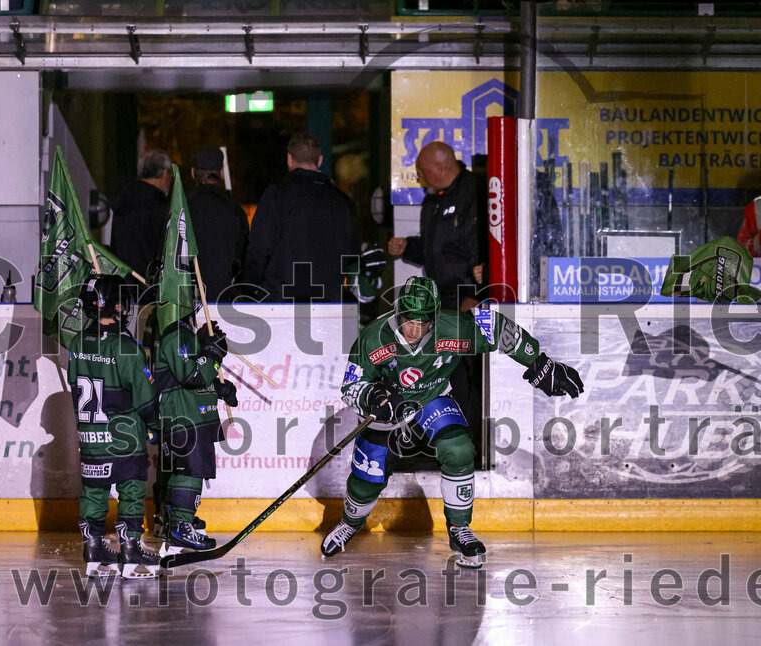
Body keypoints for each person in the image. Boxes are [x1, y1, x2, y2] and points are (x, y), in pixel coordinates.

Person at [320, 276, 584, 568]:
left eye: (424, 324)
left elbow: (496, 327)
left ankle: (459, 529)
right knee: (367, 480)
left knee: (458, 448)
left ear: (435, 317)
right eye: (409, 321)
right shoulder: (373, 337)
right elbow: (350, 387)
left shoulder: (454, 327)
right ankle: (350, 521)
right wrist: (373, 397)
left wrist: (538, 362)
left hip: (432, 396)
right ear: (398, 313)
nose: (415, 330)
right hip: (389, 409)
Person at [68, 275, 162, 579]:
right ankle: (131, 551)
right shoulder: (127, 347)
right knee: (131, 491)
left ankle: (93, 551)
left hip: (90, 437)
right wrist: (156, 426)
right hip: (124, 438)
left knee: (93, 492)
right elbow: (145, 398)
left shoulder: (76, 342)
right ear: (117, 306)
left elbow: (75, 382)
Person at [153, 301, 238, 554]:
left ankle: (173, 520)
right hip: (185, 417)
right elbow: (193, 376)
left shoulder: (187, 335)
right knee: (191, 470)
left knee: (183, 470)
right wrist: (212, 357)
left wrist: (218, 388)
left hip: (190, 413)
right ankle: (180, 524)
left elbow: (191, 382)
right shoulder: (176, 335)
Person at [242, 132, 359, 303]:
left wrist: (250, 285)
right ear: (320, 160)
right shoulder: (343, 202)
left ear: (289, 159)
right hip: (328, 301)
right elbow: (352, 253)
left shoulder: (277, 194)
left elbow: (260, 247)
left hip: (281, 299)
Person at [388, 142, 484, 312]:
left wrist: (474, 295)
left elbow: (481, 247)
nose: (420, 177)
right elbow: (434, 248)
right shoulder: (432, 201)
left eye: (423, 171)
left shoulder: (475, 191)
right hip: (439, 297)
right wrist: (407, 247)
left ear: (440, 168)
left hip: (467, 298)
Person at [187, 146, 249, 301]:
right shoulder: (234, 210)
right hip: (224, 300)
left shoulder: (181, 208)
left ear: (193, 173)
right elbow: (245, 255)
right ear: (221, 173)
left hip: (186, 299)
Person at [111, 150, 173, 277]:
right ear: (165, 173)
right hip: (148, 285)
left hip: (121, 281)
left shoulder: (123, 199)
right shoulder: (160, 207)